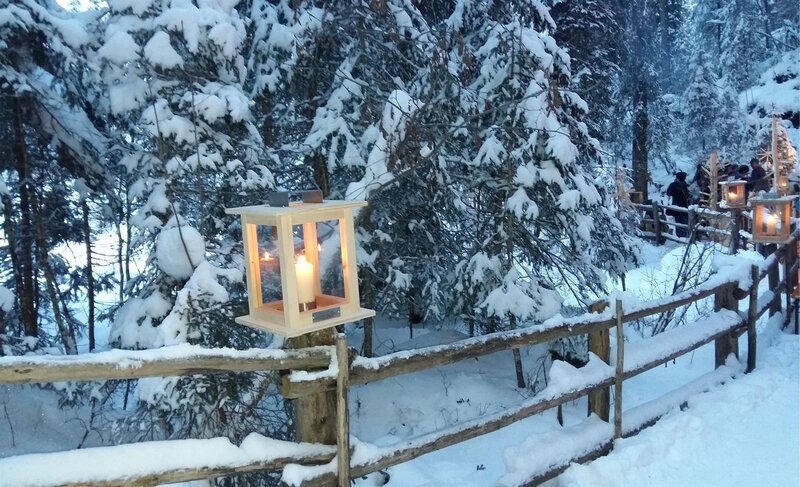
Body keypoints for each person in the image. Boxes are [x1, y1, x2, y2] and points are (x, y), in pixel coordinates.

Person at [666, 172, 691, 237]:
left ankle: (680, 236)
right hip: (685, 207)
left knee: (678, 222)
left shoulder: (673, 185)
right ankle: (686, 235)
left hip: (676, 207)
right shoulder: (686, 185)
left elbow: (668, 193)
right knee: (685, 222)